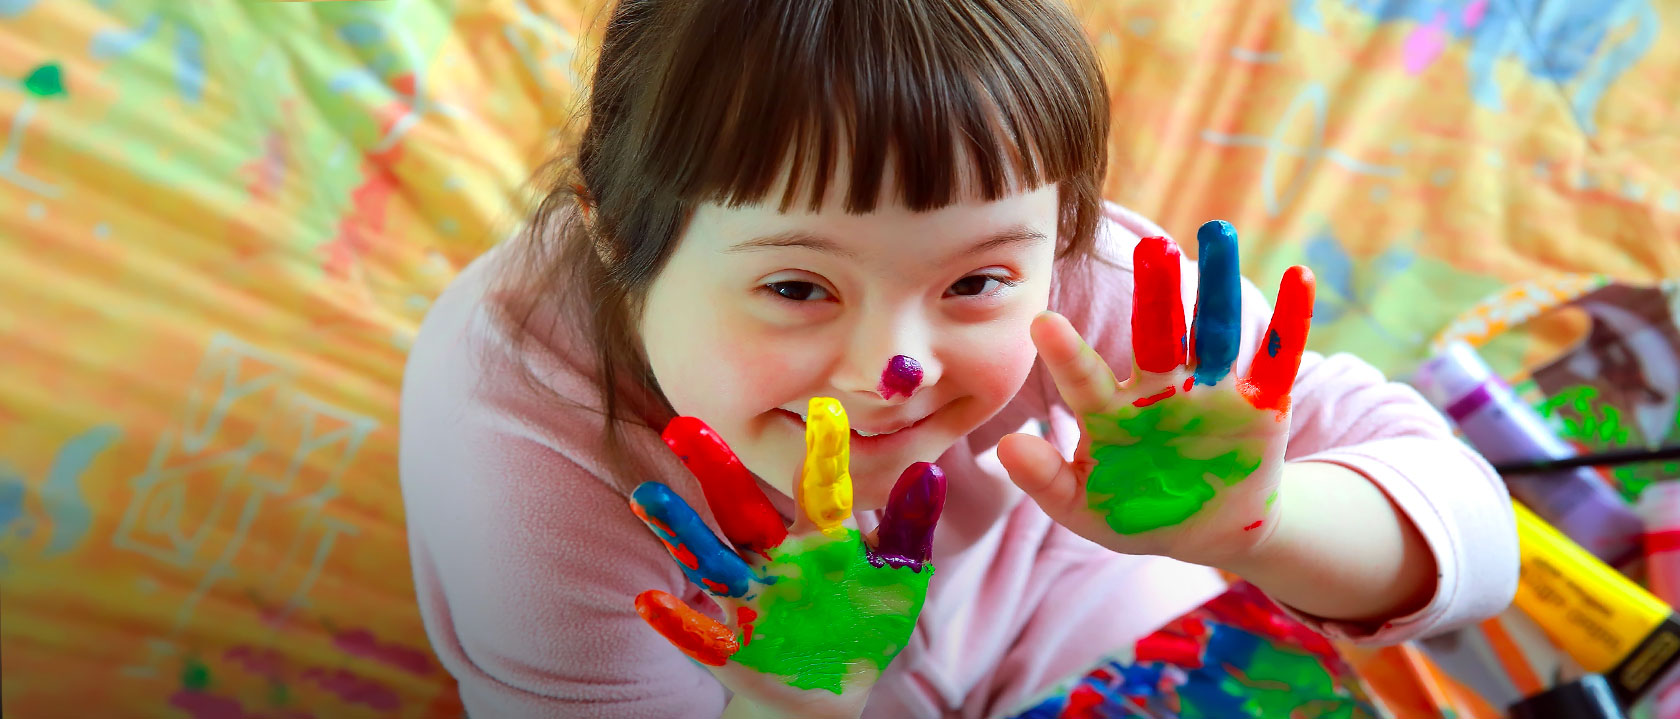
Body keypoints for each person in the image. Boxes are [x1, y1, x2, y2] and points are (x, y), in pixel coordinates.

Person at [397, 1, 1519, 717]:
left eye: (976, 280)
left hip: (1072, 619)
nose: (896, 368)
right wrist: (797, 700)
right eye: (797, 286)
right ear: (614, 234)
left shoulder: (1092, 294)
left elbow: (1475, 538)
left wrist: (1255, 526)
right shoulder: (520, 441)